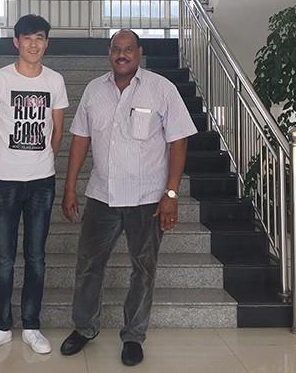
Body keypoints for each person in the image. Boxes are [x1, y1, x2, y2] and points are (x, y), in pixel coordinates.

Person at [59, 29, 197, 366]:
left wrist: (171, 193)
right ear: (109, 53)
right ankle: (85, 327)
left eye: (128, 49)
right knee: (88, 265)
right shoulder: (94, 90)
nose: (122, 54)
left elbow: (178, 141)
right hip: (101, 196)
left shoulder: (162, 88)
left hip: (147, 198)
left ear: (139, 52)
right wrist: (69, 186)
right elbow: (80, 139)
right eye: (116, 49)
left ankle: (134, 336)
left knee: (143, 269)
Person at [0, 14, 69, 354]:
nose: (33, 44)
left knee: (36, 257)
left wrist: (45, 162)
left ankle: (31, 325)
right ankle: (0, 326)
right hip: (5, 181)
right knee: (3, 257)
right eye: (27, 38)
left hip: (41, 182)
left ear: (46, 42)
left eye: (39, 38)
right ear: (16, 42)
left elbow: (58, 130)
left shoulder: (55, 81)